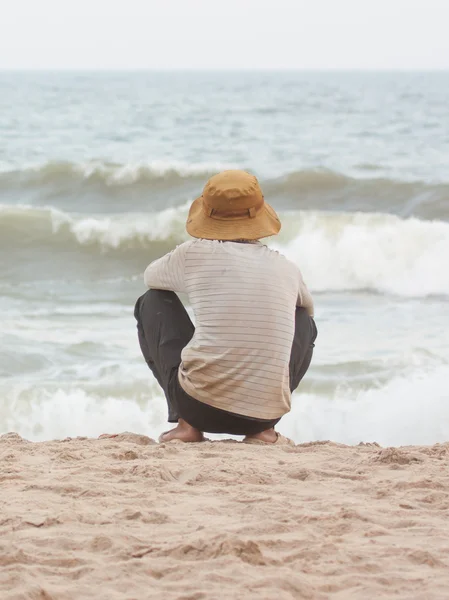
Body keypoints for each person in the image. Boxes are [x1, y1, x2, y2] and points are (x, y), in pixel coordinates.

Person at [134, 170, 317, 444]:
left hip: (199, 407)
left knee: (152, 301)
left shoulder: (193, 254)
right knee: (304, 320)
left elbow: (151, 277)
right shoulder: (286, 268)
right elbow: (308, 310)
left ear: (207, 214)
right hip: (264, 414)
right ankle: (263, 432)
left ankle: (186, 426)